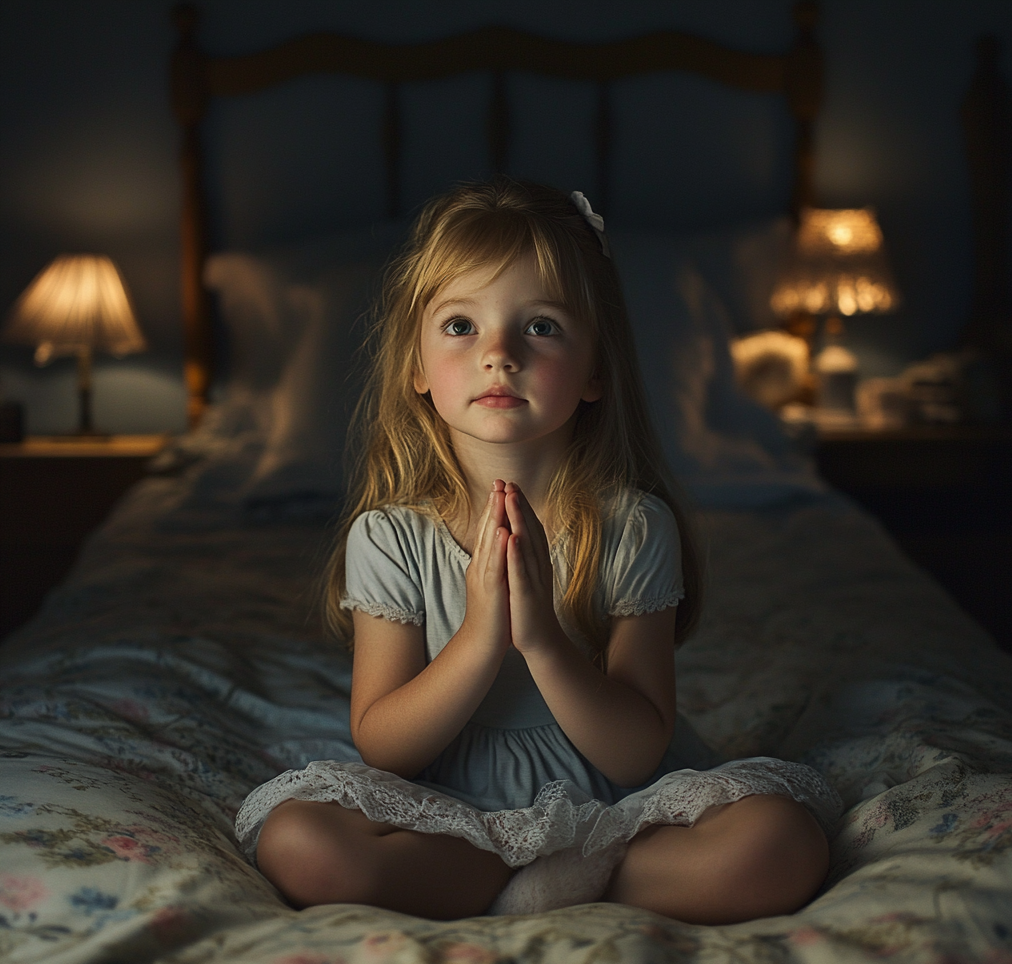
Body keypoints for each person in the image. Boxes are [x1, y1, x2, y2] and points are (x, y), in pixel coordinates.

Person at [235, 178, 841, 922]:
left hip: (619, 811)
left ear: (594, 372)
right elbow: (386, 750)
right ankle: (518, 880)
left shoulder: (632, 525)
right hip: (452, 814)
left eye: (542, 326)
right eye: (461, 324)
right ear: (416, 370)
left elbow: (635, 754)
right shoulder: (391, 536)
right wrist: (481, 637)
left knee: (780, 843)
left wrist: (543, 641)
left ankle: (556, 883)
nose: (499, 354)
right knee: (300, 842)